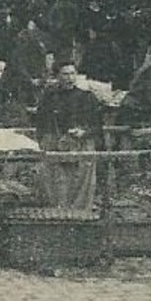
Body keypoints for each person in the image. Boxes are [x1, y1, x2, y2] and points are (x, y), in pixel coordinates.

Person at [33, 59, 104, 212]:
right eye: (65, 74)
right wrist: (46, 139)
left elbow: (97, 125)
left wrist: (83, 132)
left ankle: (80, 212)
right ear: (57, 76)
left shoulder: (87, 97)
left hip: (81, 144)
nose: (69, 78)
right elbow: (41, 122)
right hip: (55, 142)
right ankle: (58, 211)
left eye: (72, 73)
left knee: (80, 180)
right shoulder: (49, 98)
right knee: (57, 181)